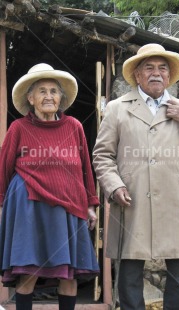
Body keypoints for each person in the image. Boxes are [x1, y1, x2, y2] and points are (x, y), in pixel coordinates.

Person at [93, 43, 179, 310]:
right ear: (138, 75)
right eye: (149, 68)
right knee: (130, 274)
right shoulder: (117, 108)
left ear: (169, 76)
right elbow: (102, 156)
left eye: (162, 68)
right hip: (132, 198)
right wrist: (114, 185)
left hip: (176, 200)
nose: (156, 73)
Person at [0, 63, 100, 310]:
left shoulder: (74, 126)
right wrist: (1, 203)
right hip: (28, 205)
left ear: (61, 98)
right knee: (29, 269)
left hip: (69, 206)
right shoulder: (19, 128)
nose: (48, 96)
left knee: (68, 272)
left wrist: (90, 204)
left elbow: (86, 167)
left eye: (54, 91)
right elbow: (3, 167)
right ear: (30, 98)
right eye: (42, 91)